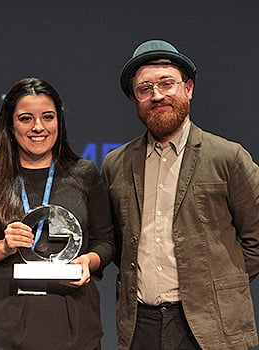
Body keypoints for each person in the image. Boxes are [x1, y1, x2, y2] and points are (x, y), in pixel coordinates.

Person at [103, 39, 259, 350]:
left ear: (188, 89)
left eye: (166, 84)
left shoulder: (227, 157)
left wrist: (219, 284)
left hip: (212, 325)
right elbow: (119, 244)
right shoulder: (116, 164)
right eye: (144, 89)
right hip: (139, 324)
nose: (156, 95)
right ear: (135, 100)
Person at [0, 77, 115, 349]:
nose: (38, 127)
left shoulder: (84, 175)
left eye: (48, 117)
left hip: (73, 328)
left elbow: (106, 242)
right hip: (0, 331)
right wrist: (3, 247)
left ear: (58, 122)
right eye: (26, 118)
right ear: (10, 125)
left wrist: (89, 260)